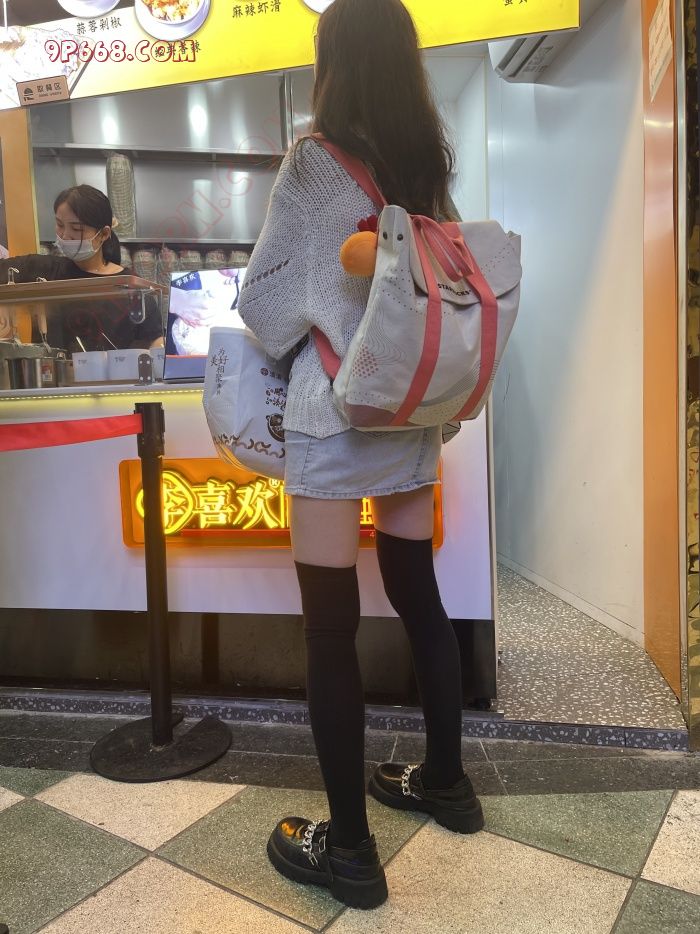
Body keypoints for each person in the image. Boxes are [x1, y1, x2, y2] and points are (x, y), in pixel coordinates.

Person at [238, 0, 483, 911]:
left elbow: (264, 307)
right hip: (410, 414)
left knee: (330, 630)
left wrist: (315, 303)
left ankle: (348, 851)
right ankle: (447, 784)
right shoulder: (426, 165)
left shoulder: (313, 163)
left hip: (334, 415)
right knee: (420, 596)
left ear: (331, 62)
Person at [0, 185, 163, 352]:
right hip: (50, 369)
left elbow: (155, 341)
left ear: (104, 234)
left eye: (76, 229)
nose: (65, 235)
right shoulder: (42, 269)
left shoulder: (131, 286)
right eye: (60, 225)